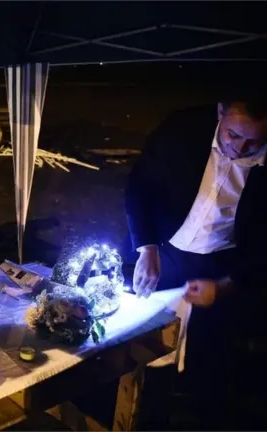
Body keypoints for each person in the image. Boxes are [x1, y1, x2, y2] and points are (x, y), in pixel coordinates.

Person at [125, 88, 267, 429]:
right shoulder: (182, 130)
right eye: (233, 134)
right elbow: (140, 186)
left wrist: (227, 287)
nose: (239, 148)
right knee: (142, 340)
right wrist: (146, 248)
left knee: (209, 356)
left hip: (224, 262)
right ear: (220, 112)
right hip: (164, 248)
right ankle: (139, 408)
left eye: (255, 142)